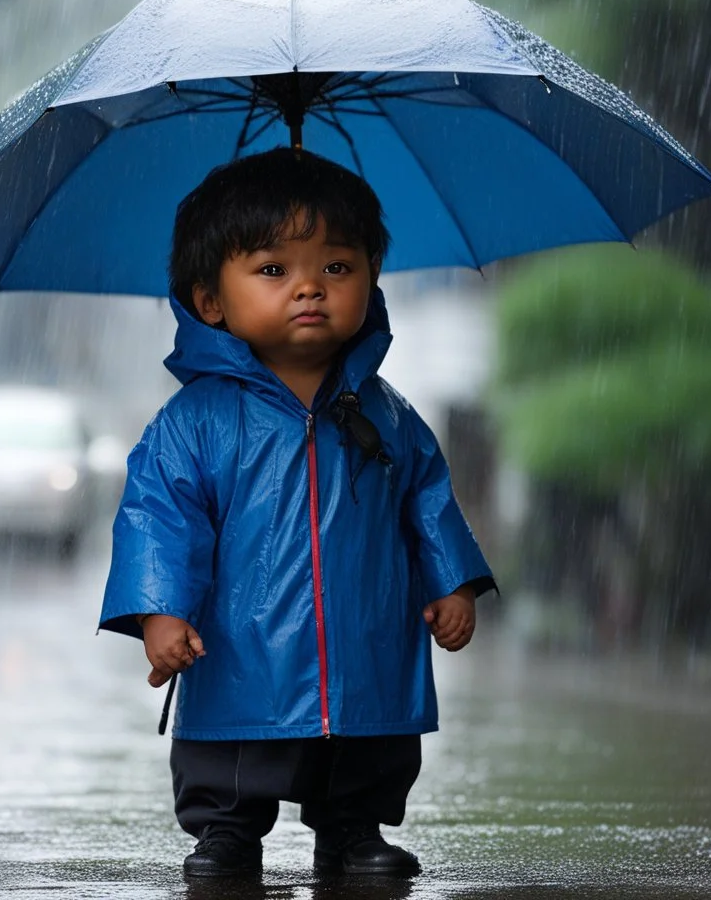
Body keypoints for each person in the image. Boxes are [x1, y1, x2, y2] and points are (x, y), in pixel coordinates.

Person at [99, 147, 495, 880]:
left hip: (363, 628)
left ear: (370, 279)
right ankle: (225, 833)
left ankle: (353, 830)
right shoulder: (197, 423)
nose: (310, 286)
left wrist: (452, 583)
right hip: (239, 640)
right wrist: (160, 611)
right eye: (273, 269)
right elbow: (159, 516)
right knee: (231, 751)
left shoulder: (385, 415)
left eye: (336, 267)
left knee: (367, 740)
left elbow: (428, 500)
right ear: (210, 299)